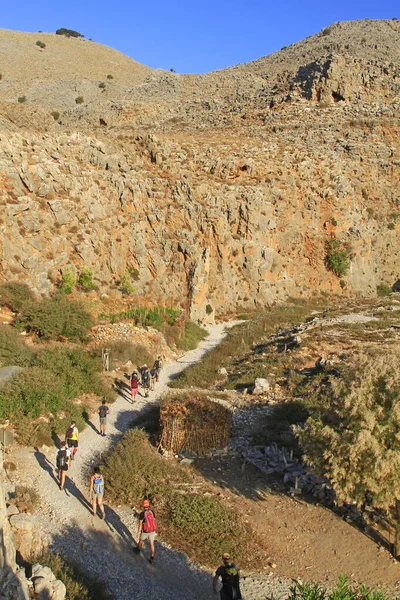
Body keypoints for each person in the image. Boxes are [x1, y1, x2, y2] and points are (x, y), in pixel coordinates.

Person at [134, 499, 157, 564]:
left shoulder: (142, 514)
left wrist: (138, 533)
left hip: (146, 531)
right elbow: (153, 520)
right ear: (148, 505)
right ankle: (152, 557)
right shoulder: (152, 512)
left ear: (143, 506)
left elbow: (140, 524)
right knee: (152, 543)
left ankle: (138, 549)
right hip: (152, 530)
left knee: (141, 540)